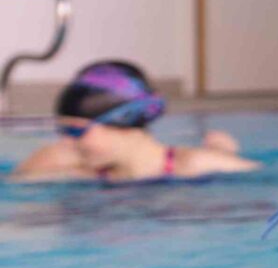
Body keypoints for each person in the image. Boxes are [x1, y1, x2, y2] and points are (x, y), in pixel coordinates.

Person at [9, 60, 259, 183]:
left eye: (75, 130)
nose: (64, 140)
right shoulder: (83, 168)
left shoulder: (195, 166)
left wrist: (219, 154)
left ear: (122, 122)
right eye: (63, 129)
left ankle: (220, 146)